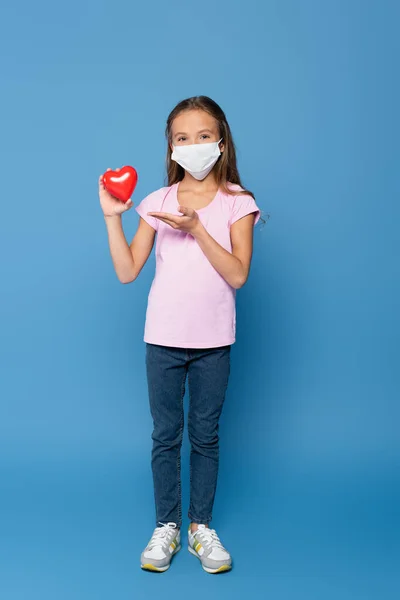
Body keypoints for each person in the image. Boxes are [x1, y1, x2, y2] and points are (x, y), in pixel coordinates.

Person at [99, 95, 261, 574]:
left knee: (205, 435)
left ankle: (200, 528)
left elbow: (237, 274)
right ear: (170, 148)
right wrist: (113, 216)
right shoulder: (156, 202)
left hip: (213, 342)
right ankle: (166, 525)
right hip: (163, 339)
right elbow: (128, 271)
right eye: (182, 138)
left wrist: (197, 229)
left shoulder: (239, 203)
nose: (193, 145)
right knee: (165, 435)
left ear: (222, 141)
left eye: (204, 136)